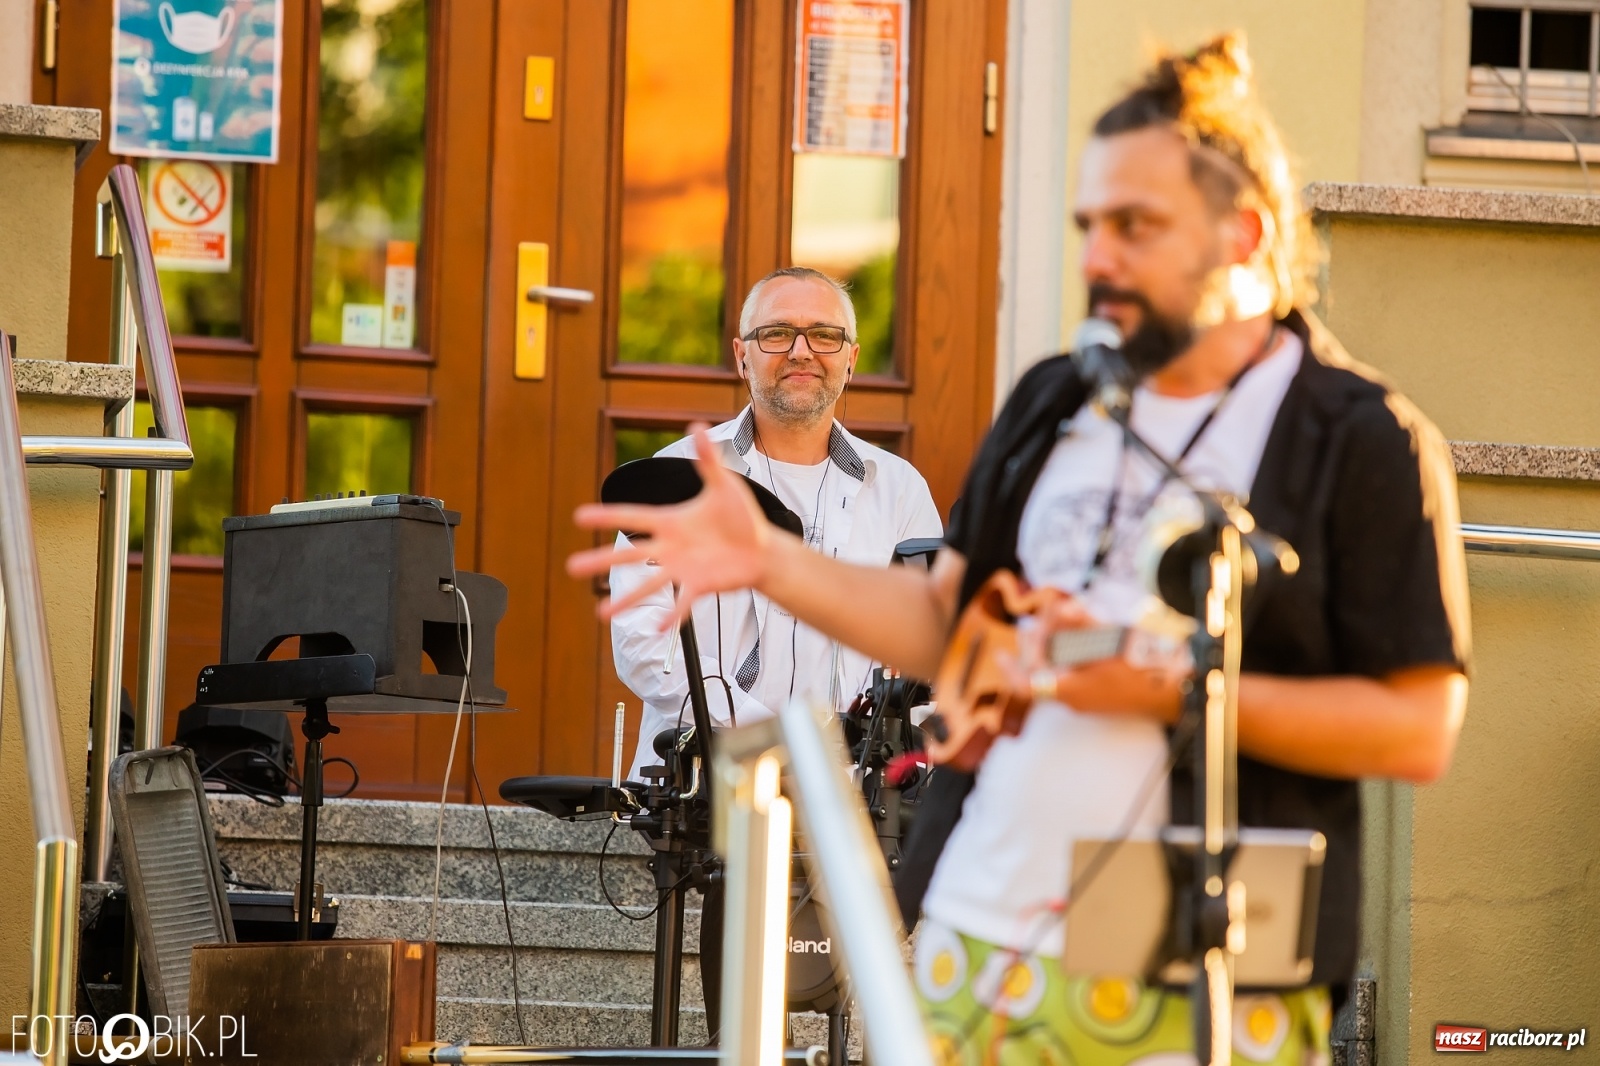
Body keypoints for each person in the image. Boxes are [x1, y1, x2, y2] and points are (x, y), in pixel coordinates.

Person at [571, 34, 1469, 1066]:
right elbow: (946, 623)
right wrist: (771, 562)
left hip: (1203, 953)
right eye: (1090, 226)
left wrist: (1168, 687)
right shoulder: (1054, 400)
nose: (1096, 258)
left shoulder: (1357, 437)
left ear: (1241, 235)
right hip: (982, 924)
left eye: (1135, 226)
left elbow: (1416, 726)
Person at [608, 265, 942, 1037]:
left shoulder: (899, 490)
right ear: (741, 354)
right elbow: (644, 643)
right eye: (777, 334)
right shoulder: (673, 478)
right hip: (720, 771)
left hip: (859, 778)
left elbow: (931, 643)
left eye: (825, 335)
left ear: (852, 357)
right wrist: (771, 736)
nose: (802, 350)